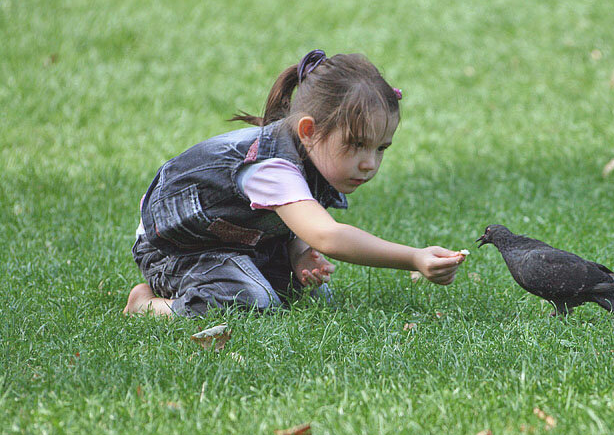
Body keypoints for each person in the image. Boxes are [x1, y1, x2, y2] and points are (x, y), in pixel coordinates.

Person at [124, 50, 465, 317]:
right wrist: (414, 258)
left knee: (312, 294)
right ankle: (148, 307)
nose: (369, 163)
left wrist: (299, 253)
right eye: (357, 144)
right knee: (251, 302)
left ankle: (250, 275)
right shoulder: (270, 166)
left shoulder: (313, 156)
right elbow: (328, 235)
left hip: (240, 242)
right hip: (176, 250)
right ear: (308, 131)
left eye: (381, 149)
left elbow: (296, 220)